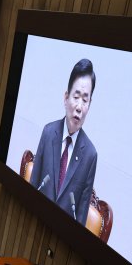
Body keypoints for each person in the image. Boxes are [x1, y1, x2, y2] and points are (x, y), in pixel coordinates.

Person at [29, 59, 98, 225]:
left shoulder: (90, 155)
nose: (79, 107)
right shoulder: (48, 133)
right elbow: (32, 189)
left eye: (85, 100)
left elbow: (80, 216)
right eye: (76, 97)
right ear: (66, 98)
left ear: (90, 104)